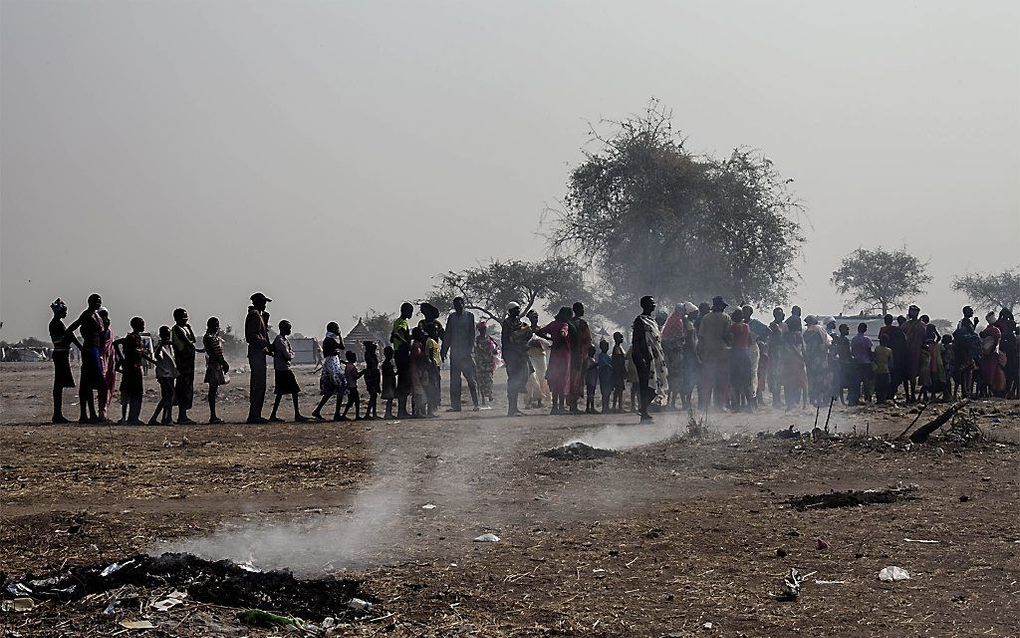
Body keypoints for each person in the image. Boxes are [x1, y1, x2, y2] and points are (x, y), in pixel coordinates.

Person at [66, 293, 105, 423]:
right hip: (90, 349)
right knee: (94, 383)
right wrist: (81, 346)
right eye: (96, 302)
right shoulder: (86, 315)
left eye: (100, 302)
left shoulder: (96, 315)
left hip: (95, 349)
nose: (98, 304)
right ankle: (88, 414)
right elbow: (70, 329)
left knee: (89, 383)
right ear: (90, 302)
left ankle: (91, 414)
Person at [632, 295, 667, 423]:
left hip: (655, 358)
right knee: (646, 386)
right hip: (644, 357)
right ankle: (644, 412)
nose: (654, 305)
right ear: (645, 305)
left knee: (655, 385)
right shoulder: (640, 321)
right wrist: (639, 357)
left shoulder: (652, 321)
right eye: (651, 303)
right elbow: (636, 341)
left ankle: (643, 409)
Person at [441, 297, 480, 411]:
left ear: (463, 304)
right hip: (455, 353)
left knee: (471, 379)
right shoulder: (451, 317)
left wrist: (470, 351)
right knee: (455, 381)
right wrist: (444, 350)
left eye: (459, 304)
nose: (457, 307)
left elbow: (472, 335)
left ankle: (476, 404)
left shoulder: (469, 316)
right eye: (455, 305)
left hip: (466, 353)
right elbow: (448, 335)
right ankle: (456, 406)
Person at [113, 317, 155, 424]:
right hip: (131, 369)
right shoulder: (131, 338)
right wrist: (122, 359)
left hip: (135, 369)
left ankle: (133, 417)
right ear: (135, 325)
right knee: (132, 393)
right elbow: (116, 344)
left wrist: (153, 361)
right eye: (141, 324)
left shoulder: (137, 338)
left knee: (136, 393)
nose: (143, 326)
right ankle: (129, 418)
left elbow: (141, 354)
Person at [697, 296, 732, 411]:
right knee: (721, 380)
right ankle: (720, 405)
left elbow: (701, 336)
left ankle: (705, 405)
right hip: (722, 352)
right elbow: (727, 335)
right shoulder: (726, 318)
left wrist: (701, 351)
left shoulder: (706, 318)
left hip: (708, 353)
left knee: (707, 380)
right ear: (721, 307)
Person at [269, 320, 307, 423]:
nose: (290, 330)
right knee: (293, 391)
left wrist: (290, 354)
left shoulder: (284, 340)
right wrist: (291, 355)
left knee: (282, 392)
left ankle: (275, 415)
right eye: (288, 328)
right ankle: (296, 414)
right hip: (283, 369)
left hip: (283, 368)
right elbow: (288, 355)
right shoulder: (280, 341)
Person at [501, 302, 535, 417]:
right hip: (512, 355)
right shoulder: (507, 323)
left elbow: (528, 333)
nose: (518, 311)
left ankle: (515, 409)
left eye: (518, 309)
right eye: (516, 309)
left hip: (520, 354)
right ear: (510, 311)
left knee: (524, 375)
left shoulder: (520, 323)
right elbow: (512, 337)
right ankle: (512, 410)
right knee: (513, 382)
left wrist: (532, 324)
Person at [48, 299, 79, 423]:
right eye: (64, 311)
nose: (66, 313)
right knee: (59, 385)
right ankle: (57, 415)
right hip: (60, 354)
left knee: (59, 385)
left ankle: (58, 414)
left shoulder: (57, 323)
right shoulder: (56, 324)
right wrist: (80, 346)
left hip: (61, 354)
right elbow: (66, 338)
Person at [538, 307, 573, 414]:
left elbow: (539, 332)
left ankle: (554, 407)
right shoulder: (565, 325)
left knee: (555, 379)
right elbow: (564, 333)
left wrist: (551, 339)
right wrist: (562, 335)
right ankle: (561, 407)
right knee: (563, 380)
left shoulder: (553, 324)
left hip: (554, 355)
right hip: (564, 356)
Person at [244, 292, 272, 423]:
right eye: (263, 302)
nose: (265, 305)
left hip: (259, 352)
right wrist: (265, 343)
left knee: (260, 384)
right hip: (257, 353)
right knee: (258, 384)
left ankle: (256, 414)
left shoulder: (259, 315)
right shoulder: (254, 315)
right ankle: (254, 415)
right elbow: (252, 336)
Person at [312, 323, 346, 421]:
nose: (338, 330)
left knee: (330, 391)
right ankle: (337, 414)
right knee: (340, 387)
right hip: (332, 366)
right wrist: (340, 335)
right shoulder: (330, 340)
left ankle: (318, 411)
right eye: (337, 328)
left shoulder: (328, 339)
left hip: (331, 365)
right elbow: (342, 347)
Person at [171, 308, 199, 424]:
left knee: (188, 387)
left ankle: (184, 414)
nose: (185, 319)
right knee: (182, 387)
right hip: (182, 362)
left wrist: (190, 328)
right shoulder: (176, 329)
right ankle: (181, 416)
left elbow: (194, 339)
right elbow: (188, 342)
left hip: (189, 363)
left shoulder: (186, 328)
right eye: (183, 317)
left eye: (186, 317)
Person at [148, 326, 178, 425]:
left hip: (170, 374)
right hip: (164, 374)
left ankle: (163, 417)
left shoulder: (169, 346)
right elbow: (156, 356)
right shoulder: (160, 346)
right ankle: (165, 418)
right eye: (165, 335)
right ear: (161, 335)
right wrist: (162, 344)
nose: (167, 337)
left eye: (168, 335)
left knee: (167, 397)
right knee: (169, 396)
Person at [202, 317, 230, 424]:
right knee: (212, 391)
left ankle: (213, 415)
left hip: (214, 364)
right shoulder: (210, 338)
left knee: (213, 390)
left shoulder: (210, 337)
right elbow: (217, 352)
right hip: (214, 365)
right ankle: (213, 416)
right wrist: (223, 362)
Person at [568, 302, 592, 413]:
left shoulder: (569, 323)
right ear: (578, 310)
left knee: (572, 379)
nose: (583, 310)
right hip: (579, 355)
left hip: (570, 355)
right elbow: (587, 339)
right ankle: (574, 406)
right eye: (582, 308)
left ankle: (572, 405)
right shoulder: (582, 324)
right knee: (577, 379)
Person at [391, 303, 414, 418]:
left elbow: (391, 337)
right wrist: (407, 343)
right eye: (410, 311)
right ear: (405, 311)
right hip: (402, 354)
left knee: (403, 382)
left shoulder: (396, 322)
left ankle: (402, 410)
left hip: (398, 353)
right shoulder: (402, 322)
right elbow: (395, 334)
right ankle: (401, 411)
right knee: (404, 383)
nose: (411, 314)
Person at [879, 314, 910, 402]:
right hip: (899, 357)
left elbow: (881, 341)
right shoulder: (898, 331)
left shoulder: (884, 330)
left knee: (889, 378)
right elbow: (904, 343)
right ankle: (906, 396)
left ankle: (887, 395)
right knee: (902, 378)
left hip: (887, 357)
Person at [729, 308, 753, 412]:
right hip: (746, 354)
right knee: (747, 382)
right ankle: (750, 406)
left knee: (736, 382)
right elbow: (750, 341)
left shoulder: (734, 327)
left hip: (736, 354)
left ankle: (737, 406)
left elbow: (731, 340)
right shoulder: (747, 326)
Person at [802, 315, 830, 407]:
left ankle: (812, 399)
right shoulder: (819, 330)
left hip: (810, 360)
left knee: (811, 379)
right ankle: (819, 399)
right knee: (820, 379)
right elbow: (825, 342)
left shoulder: (806, 333)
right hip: (820, 359)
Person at [782, 314, 808, 410]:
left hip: (789, 361)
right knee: (803, 383)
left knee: (789, 383)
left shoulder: (786, 335)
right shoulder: (798, 335)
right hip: (797, 361)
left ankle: (790, 404)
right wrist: (802, 357)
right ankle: (804, 404)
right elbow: (802, 348)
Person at [901, 305, 926, 403]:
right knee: (906, 375)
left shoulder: (921, 325)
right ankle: (908, 395)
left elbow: (924, 339)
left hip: (916, 352)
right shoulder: (905, 325)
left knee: (913, 374)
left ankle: (912, 396)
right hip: (907, 352)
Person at [97, 307, 117, 420]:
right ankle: (101, 412)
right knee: (102, 387)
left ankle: (103, 410)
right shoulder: (98, 331)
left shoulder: (110, 331)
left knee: (108, 386)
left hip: (109, 361)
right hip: (100, 360)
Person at [980, 312, 1006, 396]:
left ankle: (990, 390)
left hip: (989, 354)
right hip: (991, 354)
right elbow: (997, 340)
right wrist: (996, 349)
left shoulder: (990, 329)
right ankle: (992, 390)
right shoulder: (995, 329)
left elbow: (983, 336)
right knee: (992, 372)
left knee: (989, 372)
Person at [848, 322, 873, 406]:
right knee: (866, 381)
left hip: (856, 362)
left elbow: (852, 351)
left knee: (857, 381)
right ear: (865, 329)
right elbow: (869, 351)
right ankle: (867, 397)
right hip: (866, 362)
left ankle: (856, 397)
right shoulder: (867, 340)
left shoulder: (854, 339)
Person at [474, 322, 498, 408]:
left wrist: (494, 351)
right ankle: (483, 398)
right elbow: (476, 351)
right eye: (481, 330)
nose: (483, 331)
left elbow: (496, 347)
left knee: (489, 380)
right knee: (481, 381)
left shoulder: (489, 339)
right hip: (480, 363)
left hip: (489, 363)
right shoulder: (477, 340)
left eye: (484, 329)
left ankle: (489, 395)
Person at [767, 308, 786, 408]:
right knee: (775, 378)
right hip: (774, 354)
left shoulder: (784, 326)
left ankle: (778, 399)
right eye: (778, 314)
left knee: (780, 378)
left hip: (782, 354)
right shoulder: (772, 325)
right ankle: (775, 400)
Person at [526, 333, 551, 409]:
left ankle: (540, 401)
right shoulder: (528, 332)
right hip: (532, 357)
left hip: (540, 357)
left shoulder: (540, 333)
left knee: (542, 379)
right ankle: (529, 401)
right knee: (532, 378)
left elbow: (548, 345)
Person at [423, 323, 443, 417]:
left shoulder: (433, 341)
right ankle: (430, 411)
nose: (436, 332)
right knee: (432, 388)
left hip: (435, 366)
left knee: (433, 388)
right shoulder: (430, 341)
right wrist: (435, 370)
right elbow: (430, 356)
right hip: (432, 367)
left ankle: (431, 410)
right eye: (434, 330)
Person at [340, 350, 365, 420]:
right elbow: (356, 377)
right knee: (356, 401)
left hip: (348, 386)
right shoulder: (352, 367)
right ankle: (357, 416)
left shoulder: (348, 366)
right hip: (353, 386)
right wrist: (362, 372)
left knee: (350, 402)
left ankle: (344, 415)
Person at [363, 341, 381, 419]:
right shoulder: (370, 356)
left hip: (372, 376)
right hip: (372, 376)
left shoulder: (370, 355)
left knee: (374, 396)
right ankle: (369, 413)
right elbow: (373, 367)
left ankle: (373, 413)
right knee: (373, 395)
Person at [873, 334, 894, 403]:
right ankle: (883, 399)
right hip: (885, 369)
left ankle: (879, 399)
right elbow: (891, 362)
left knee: (878, 385)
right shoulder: (889, 350)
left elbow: (874, 358)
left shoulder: (877, 348)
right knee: (885, 386)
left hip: (877, 369)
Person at [611, 332, 627, 413]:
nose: (622, 339)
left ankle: (616, 406)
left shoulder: (619, 347)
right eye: (620, 337)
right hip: (618, 372)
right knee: (619, 390)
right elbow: (619, 361)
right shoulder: (617, 348)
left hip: (618, 372)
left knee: (618, 390)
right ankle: (618, 406)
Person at [597, 339, 614, 414]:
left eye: (607, 346)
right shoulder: (601, 356)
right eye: (605, 346)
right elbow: (605, 365)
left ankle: (606, 407)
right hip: (604, 376)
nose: (606, 348)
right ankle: (604, 408)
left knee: (608, 392)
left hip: (608, 376)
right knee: (604, 393)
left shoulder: (606, 356)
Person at [381, 345, 397, 418]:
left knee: (390, 399)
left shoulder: (387, 363)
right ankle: (388, 413)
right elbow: (389, 373)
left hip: (388, 383)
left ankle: (388, 413)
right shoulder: (386, 363)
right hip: (388, 383)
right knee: (390, 399)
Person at [584, 344, 598, 414]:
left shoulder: (592, 359)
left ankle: (591, 407)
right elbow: (588, 368)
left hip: (593, 379)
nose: (594, 351)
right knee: (590, 394)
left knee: (592, 394)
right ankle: (589, 407)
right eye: (593, 350)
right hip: (590, 379)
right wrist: (596, 364)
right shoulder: (588, 359)